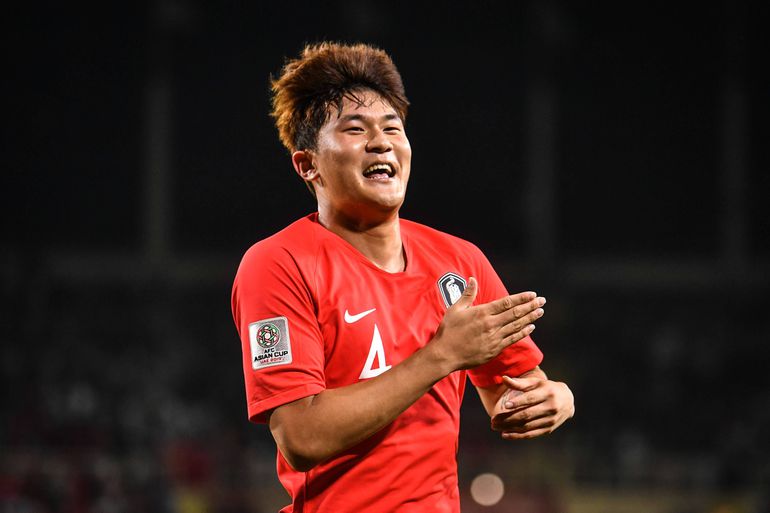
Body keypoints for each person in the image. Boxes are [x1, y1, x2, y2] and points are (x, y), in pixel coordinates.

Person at [231, 42, 574, 513]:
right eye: (356, 129)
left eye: (392, 127)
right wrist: (441, 355)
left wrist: (556, 398)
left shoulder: (460, 262)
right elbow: (302, 436)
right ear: (308, 165)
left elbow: (512, 391)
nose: (382, 141)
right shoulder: (278, 264)